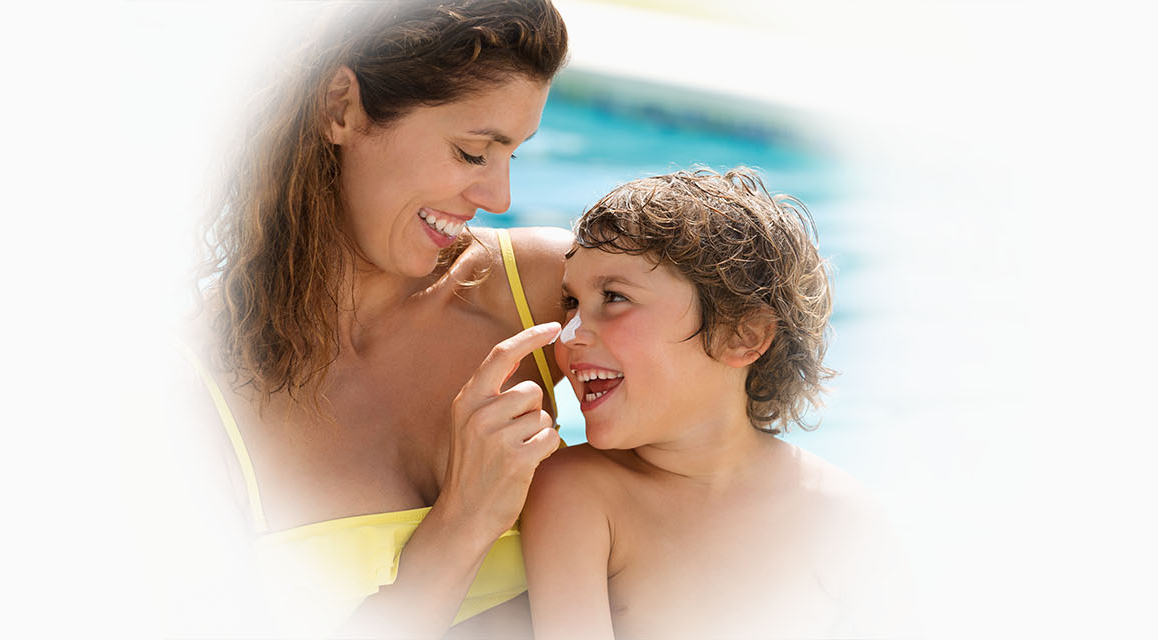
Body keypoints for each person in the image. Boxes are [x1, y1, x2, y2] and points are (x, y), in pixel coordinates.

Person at [182, 1, 574, 636]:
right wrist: (465, 521)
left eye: (514, 156)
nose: (499, 198)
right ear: (342, 107)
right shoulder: (192, 393)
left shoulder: (547, 292)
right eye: (474, 153)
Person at [522, 168, 897, 638]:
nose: (569, 333)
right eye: (570, 303)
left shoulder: (844, 517)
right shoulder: (577, 493)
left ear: (743, 335)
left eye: (614, 297)